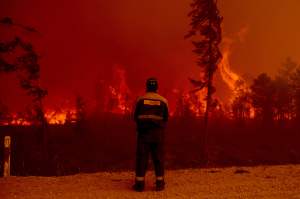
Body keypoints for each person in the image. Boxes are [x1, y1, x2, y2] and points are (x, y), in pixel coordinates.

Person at [133, 77, 169, 192]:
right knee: (158, 158)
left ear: (147, 87)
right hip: (157, 134)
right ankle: (159, 184)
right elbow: (166, 118)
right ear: (157, 88)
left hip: (143, 134)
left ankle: (139, 185)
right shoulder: (163, 101)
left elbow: (134, 116)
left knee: (141, 158)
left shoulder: (140, 100)